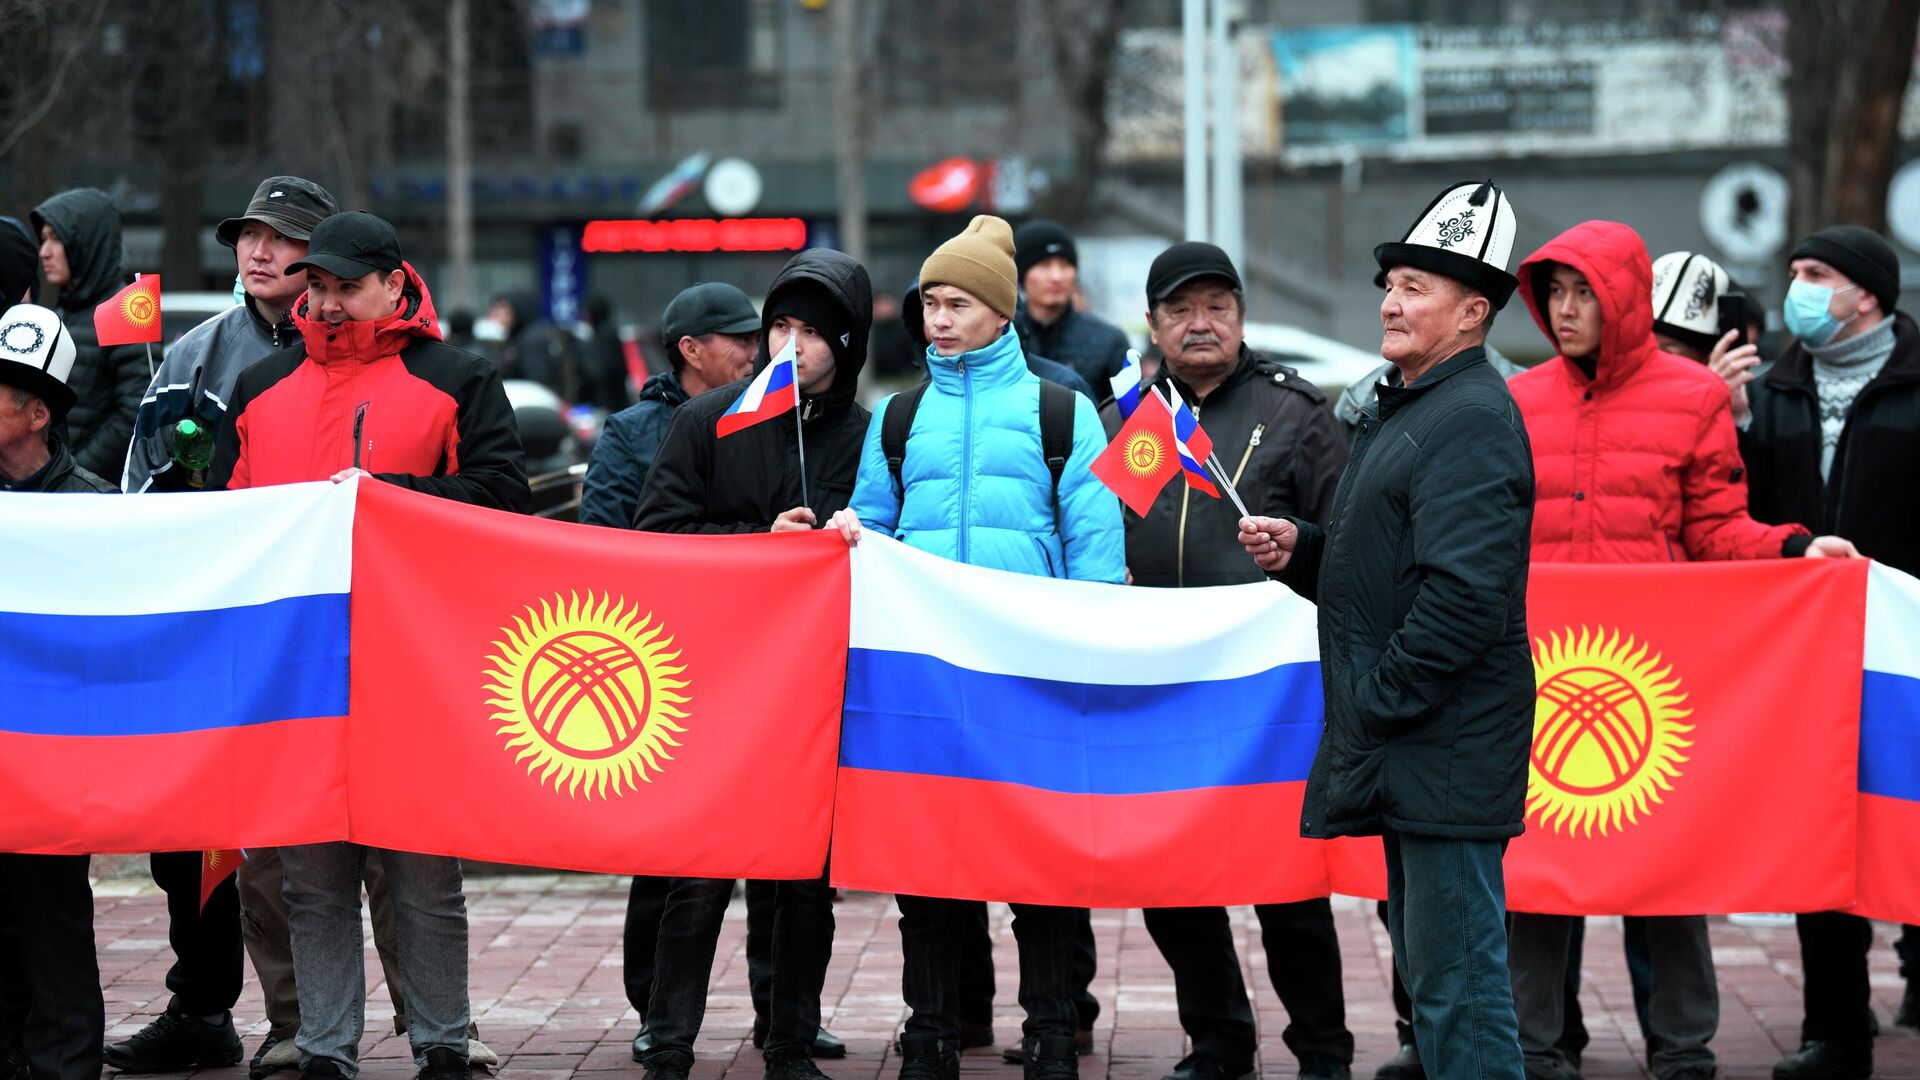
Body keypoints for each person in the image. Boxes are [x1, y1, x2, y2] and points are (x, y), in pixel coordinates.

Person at [1504, 219, 1858, 1080]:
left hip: (1652, 675)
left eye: (1586, 290)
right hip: (1541, 675)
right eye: (1554, 290)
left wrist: (1792, 549)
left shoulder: (1693, 398)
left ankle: (1684, 1050)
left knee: (1668, 864)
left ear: (1624, 296)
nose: (1567, 307)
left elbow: (1715, 528)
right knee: (1536, 869)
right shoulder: (1517, 400)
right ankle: (1538, 1050)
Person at [209, 211, 528, 1080]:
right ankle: (324, 1049)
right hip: (298, 673)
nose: (330, 301)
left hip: (418, 668)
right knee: (309, 875)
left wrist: (389, 496)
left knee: (424, 872)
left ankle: (442, 1041)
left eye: (348, 286)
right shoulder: (261, 387)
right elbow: (225, 530)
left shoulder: (457, 378)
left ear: (396, 283)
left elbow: (506, 499)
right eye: (318, 285)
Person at [1238, 179, 1534, 1080]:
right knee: (1433, 977)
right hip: (1418, 742)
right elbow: (1385, 575)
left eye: (1417, 288)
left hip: (1437, 742)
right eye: (1391, 284)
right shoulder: (1412, 407)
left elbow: (1463, 598)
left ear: (1473, 312)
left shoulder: (1472, 418)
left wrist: (1379, 698)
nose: (1391, 304)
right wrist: (1303, 552)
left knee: (1460, 989)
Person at [828, 215, 1125, 1080]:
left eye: (958, 303)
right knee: (925, 868)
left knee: (1039, 870)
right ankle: (932, 1029)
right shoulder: (897, 417)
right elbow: (871, 534)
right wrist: (851, 533)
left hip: (1031, 679)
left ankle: (1050, 1030)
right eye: (930, 303)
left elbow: (1097, 566)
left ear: (1001, 313)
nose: (940, 319)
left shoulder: (1062, 413)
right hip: (924, 678)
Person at [1105, 241, 1353, 1080]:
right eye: (1180, 310)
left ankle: (1321, 1047)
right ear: (1154, 324)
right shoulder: (1142, 421)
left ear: (1242, 316)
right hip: (1161, 686)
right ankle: (1218, 1037)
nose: (1199, 323)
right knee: (1170, 875)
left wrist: (1299, 552)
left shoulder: (1295, 412)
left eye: (1216, 306)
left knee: (1287, 881)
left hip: (1268, 694)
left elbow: (1344, 545)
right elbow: (1114, 531)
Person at [629, 248, 873, 1080]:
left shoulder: (870, 437)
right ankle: (667, 1042)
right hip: (715, 682)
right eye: (780, 326)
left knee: (802, 881)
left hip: (816, 688)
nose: (791, 344)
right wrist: (759, 545)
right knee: (698, 875)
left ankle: (791, 1042)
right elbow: (657, 537)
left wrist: (853, 544)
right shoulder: (707, 421)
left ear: (847, 342)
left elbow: (894, 547)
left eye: (811, 330)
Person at [1737, 225, 1920, 1080]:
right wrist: (1726, 421)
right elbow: (1741, 514)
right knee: (1824, 834)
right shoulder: (1772, 389)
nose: (1797, 290)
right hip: (1808, 655)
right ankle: (1836, 1031)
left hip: (1906, 650)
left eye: (1816, 275)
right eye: (1796, 274)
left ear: (1868, 295)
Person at [0, 300, 110, 1080]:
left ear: (38, 414)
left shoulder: (95, 514)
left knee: (51, 915)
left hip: (53, 765)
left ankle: (66, 1061)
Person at [579, 283, 760, 529]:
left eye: (759, 339)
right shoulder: (629, 436)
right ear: (691, 349)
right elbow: (601, 540)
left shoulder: (772, 419)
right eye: (742, 340)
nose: (756, 354)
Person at [30, 187, 146, 479]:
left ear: (87, 241)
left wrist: (74, 474)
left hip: (94, 496)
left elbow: (135, 411)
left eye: (56, 239)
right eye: (43, 239)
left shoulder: (127, 308)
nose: (44, 252)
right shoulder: (63, 311)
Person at [1013, 220, 1131, 389]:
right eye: (1044, 265)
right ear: (1022, 274)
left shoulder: (1109, 342)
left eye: (1065, 264)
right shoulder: (1007, 338)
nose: (1056, 276)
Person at [488, 289, 578, 399]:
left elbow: (536, 383)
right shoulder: (518, 337)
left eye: (504, 307)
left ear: (519, 309)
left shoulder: (531, 340)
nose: (497, 313)